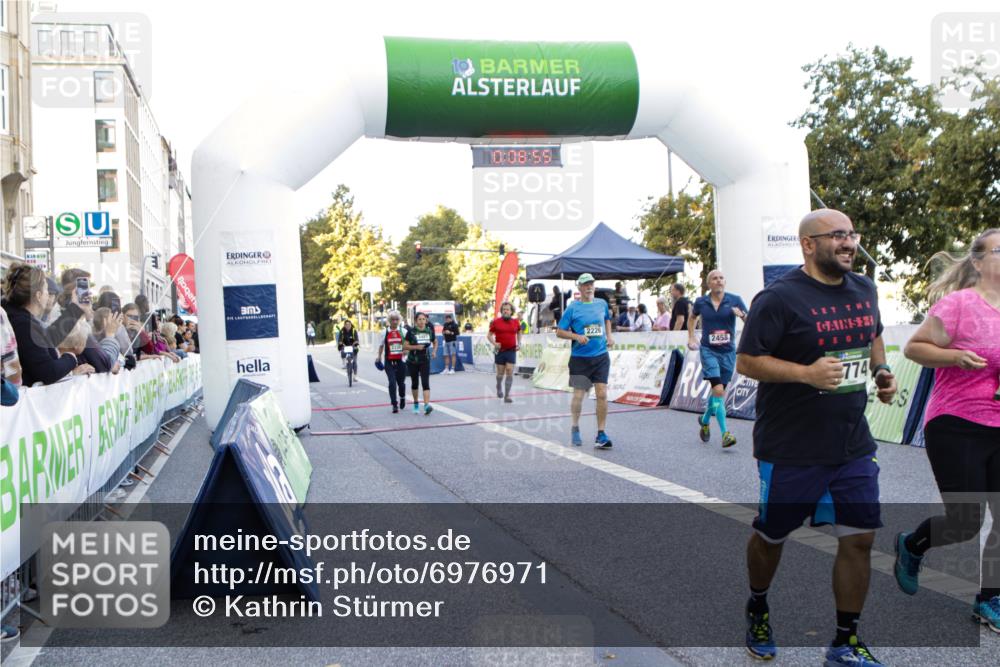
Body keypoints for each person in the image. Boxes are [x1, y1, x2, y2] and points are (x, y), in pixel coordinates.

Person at [736, 209, 897, 665]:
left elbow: (875, 335)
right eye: (837, 236)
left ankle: (845, 642)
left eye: (852, 234)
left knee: (859, 538)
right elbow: (747, 361)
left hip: (851, 441)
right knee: (772, 535)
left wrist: (881, 370)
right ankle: (758, 603)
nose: (848, 243)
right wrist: (806, 373)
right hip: (791, 444)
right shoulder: (779, 298)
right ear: (809, 244)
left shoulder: (864, 288)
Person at [893, 228, 1000, 633]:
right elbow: (915, 348)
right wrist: (956, 357)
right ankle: (912, 544)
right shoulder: (960, 305)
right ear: (977, 262)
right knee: (966, 521)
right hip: (957, 424)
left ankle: (990, 598)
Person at [3, 263, 94, 385]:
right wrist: (70, 357)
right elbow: (48, 372)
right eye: (46, 289)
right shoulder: (23, 324)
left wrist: (76, 308)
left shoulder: (20, 318)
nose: (49, 295)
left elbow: (47, 339)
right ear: (38, 295)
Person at [688, 270, 748, 448]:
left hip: (728, 352)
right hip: (708, 351)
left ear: (725, 282)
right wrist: (691, 337)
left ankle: (705, 420)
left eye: (721, 278)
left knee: (718, 393)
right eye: (714, 278)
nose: (719, 281)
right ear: (709, 284)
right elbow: (692, 318)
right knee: (719, 391)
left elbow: (751, 320)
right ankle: (725, 434)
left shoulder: (735, 300)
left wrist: (742, 315)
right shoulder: (701, 302)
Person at [556, 273, 615, 448]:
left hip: (601, 356)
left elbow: (607, 320)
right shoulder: (573, 308)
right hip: (580, 359)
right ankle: (575, 427)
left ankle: (601, 434)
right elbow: (559, 331)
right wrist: (576, 336)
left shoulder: (601, 304)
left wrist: (609, 336)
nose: (589, 287)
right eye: (585, 285)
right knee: (579, 396)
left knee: (602, 394)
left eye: (591, 284)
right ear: (579, 288)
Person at [487, 302, 522, 403]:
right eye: (504, 309)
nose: (505, 311)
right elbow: (489, 335)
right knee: (500, 374)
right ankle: (498, 386)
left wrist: (519, 343)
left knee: (510, 371)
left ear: (511, 311)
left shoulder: (516, 322)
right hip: (500, 351)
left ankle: (507, 396)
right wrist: (494, 343)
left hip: (511, 350)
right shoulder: (496, 322)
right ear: (501, 311)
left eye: (507, 309)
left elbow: (519, 332)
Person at [403, 312, 436, 415]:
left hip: (425, 360)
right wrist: (416, 347)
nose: (422, 321)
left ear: (426, 320)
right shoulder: (411, 332)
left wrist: (434, 351)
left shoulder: (429, 331)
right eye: (420, 319)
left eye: (423, 319)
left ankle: (426, 405)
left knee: (425, 383)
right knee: (415, 383)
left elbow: (435, 341)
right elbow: (405, 346)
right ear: (416, 321)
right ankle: (416, 403)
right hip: (413, 360)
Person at [376, 310, 408, 413]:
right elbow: (381, 346)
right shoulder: (384, 332)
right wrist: (379, 357)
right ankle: (394, 404)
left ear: (399, 320)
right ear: (389, 321)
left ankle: (402, 397)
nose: (394, 321)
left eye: (396, 319)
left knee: (401, 383)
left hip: (401, 360)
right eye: (392, 319)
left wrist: (405, 351)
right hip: (389, 360)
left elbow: (409, 346)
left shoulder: (403, 331)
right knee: (392, 383)